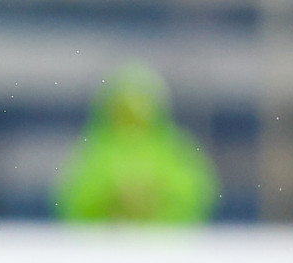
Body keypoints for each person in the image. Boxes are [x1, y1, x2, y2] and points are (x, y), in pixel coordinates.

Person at [55, 63, 219, 224]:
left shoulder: (173, 148)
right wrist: (112, 197)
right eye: (123, 109)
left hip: (164, 246)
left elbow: (198, 195)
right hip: (104, 246)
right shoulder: (94, 149)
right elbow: (70, 199)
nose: (133, 116)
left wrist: (156, 196)